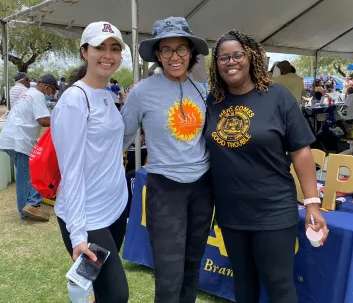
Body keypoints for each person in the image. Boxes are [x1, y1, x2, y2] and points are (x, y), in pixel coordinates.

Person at [205, 30, 328, 303]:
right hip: (231, 212)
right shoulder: (212, 102)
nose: (231, 62)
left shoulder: (277, 96)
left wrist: (312, 203)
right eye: (223, 58)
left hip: (272, 210)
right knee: (243, 282)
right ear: (216, 65)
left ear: (251, 58)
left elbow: (301, 152)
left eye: (238, 55)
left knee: (278, 285)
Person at [121, 17, 213, 303]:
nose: (175, 56)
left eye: (181, 48)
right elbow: (122, 138)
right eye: (167, 50)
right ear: (158, 55)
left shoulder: (204, 90)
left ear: (191, 52)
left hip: (203, 186)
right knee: (169, 268)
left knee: (192, 263)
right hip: (165, 188)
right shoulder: (142, 92)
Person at [51, 22, 129, 303]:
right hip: (88, 215)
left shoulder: (108, 96)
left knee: (100, 292)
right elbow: (70, 172)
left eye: (114, 48)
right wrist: (78, 234)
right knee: (117, 295)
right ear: (84, 52)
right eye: (99, 47)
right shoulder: (74, 100)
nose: (108, 54)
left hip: (115, 210)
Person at [0, 74, 57, 221]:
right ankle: (28, 208)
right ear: (46, 87)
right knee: (25, 176)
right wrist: (62, 119)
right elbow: (43, 120)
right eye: (52, 91)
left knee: (28, 173)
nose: (51, 95)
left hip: (12, 137)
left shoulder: (28, 93)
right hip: (18, 140)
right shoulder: (38, 95)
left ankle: (31, 204)